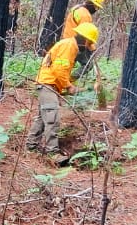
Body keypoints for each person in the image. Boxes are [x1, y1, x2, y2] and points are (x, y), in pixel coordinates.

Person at [26, 22, 98, 161]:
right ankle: (52, 153)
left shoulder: (70, 45)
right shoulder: (69, 46)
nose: (88, 48)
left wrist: (67, 84)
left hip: (49, 84)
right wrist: (69, 86)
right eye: (89, 44)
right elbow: (59, 70)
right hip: (48, 84)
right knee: (53, 118)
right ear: (85, 39)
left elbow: (62, 71)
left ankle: (31, 147)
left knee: (43, 117)